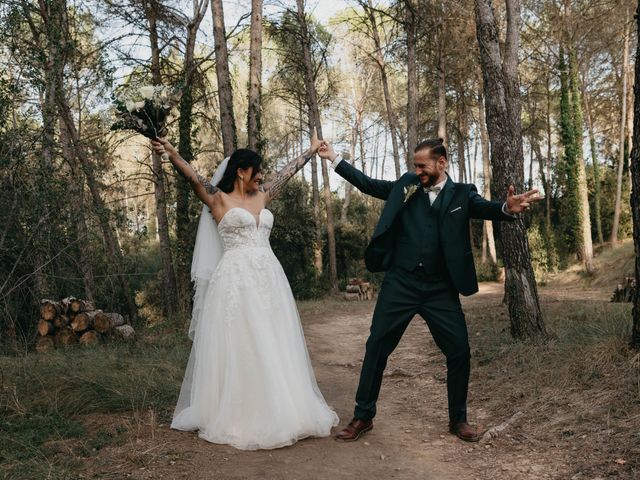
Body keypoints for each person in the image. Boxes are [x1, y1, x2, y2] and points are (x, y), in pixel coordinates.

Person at [317, 138, 542, 443]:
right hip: (401, 282)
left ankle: (458, 419)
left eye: (423, 166)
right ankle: (363, 416)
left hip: (440, 288)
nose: (418, 171)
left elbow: (487, 208)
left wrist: (507, 208)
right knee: (377, 346)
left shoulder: (463, 193)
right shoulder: (406, 185)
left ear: (442, 162)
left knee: (459, 351)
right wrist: (335, 159)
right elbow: (368, 184)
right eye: (415, 165)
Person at [151, 133, 338, 450]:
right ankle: (242, 411)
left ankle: (283, 404)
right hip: (235, 280)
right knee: (242, 341)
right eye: (257, 171)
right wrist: (169, 150)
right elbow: (192, 174)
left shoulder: (263, 195)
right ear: (241, 171)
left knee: (273, 338)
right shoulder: (217, 199)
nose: (263, 176)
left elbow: (287, 173)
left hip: (269, 277)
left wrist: (309, 151)